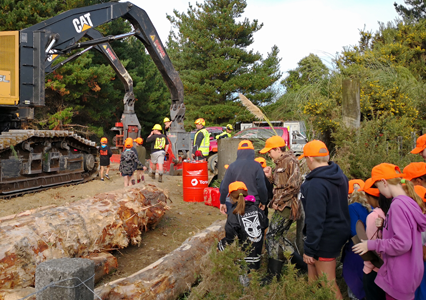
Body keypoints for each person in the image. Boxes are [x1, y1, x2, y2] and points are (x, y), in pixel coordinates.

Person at [353, 163, 426, 300]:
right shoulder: (409, 202)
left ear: (384, 182)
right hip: (409, 274)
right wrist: (386, 226)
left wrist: (370, 245)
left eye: (377, 186)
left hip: (400, 276)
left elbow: (402, 244)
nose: (379, 191)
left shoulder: (397, 205)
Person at [299, 140, 350, 299]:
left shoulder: (316, 185)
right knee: (313, 280)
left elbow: (315, 219)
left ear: (310, 159)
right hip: (338, 230)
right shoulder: (340, 176)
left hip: (325, 237)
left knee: (328, 283)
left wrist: (310, 248)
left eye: (306, 158)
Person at [259, 136, 306, 284]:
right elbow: (280, 183)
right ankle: (301, 266)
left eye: (270, 152)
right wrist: (270, 176)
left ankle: (273, 275)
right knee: (278, 237)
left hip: (287, 207)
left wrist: (277, 201)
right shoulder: (280, 162)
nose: (268, 155)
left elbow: (294, 186)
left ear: (278, 149)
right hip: (282, 206)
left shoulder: (290, 161)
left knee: (273, 236)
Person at [217, 181, 268, 286]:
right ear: (247, 193)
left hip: (243, 257)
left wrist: (220, 245)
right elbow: (265, 224)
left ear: (231, 197)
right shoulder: (257, 209)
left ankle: (240, 280)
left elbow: (230, 239)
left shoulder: (233, 214)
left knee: (220, 246)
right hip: (257, 254)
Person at [219, 140, 268, 215]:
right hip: (254, 202)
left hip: (236, 202)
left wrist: (222, 202)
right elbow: (261, 186)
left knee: (236, 224)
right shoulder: (257, 166)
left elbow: (224, 186)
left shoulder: (232, 166)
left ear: (238, 152)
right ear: (252, 152)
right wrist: (263, 201)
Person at [359, 178, 386, 300]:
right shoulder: (391, 212)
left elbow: (370, 243)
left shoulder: (373, 216)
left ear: (368, 196)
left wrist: (368, 268)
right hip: (389, 269)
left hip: (374, 270)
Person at [342, 188, 371, 300]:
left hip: (356, 250)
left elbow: (354, 232)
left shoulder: (352, 208)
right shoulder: (373, 208)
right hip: (374, 250)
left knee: (355, 285)